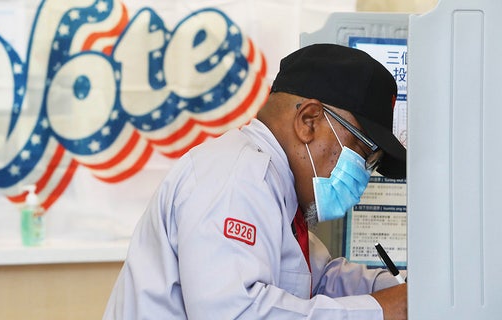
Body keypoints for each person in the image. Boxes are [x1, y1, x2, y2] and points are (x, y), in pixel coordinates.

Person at [103, 43, 408, 320]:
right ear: (309, 121)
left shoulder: (275, 185)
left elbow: (319, 280)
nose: (364, 173)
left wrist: (396, 289)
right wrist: (383, 310)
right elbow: (238, 313)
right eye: (361, 152)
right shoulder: (237, 177)